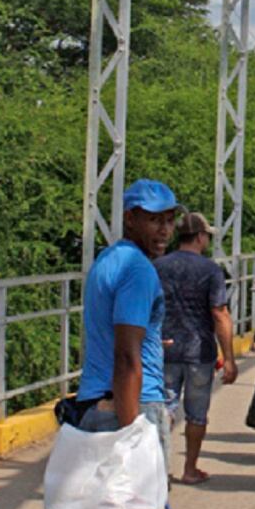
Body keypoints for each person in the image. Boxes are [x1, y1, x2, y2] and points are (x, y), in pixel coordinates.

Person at [76, 179, 178, 476]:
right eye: (154, 220)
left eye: (169, 221)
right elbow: (125, 357)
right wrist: (132, 433)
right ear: (130, 219)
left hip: (95, 402)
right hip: (133, 404)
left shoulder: (108, 259)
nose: (164, 230)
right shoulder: (138, 270)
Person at [156, 212, 237, 485]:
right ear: (201, 237)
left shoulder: (158, 266)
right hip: (199, 351)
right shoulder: (210, 270)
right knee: (196, 414)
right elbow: (219, 313)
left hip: (164, 347)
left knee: (165, 409)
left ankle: (159, 470)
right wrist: (229, 358)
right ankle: (190, 469)